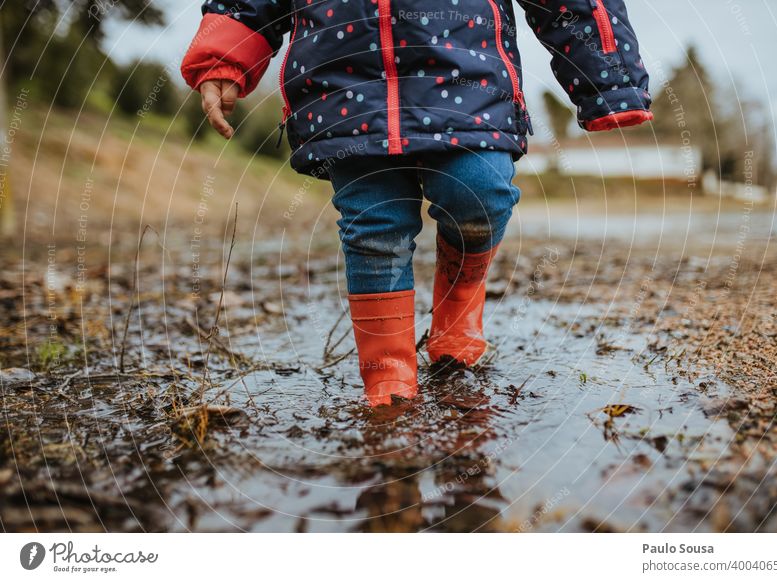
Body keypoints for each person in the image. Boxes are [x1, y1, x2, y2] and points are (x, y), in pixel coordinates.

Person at [181, 0, 653, 406]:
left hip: (468, 85)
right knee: (373, 229)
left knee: (481, 191)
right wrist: (224, 57)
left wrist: (609, 80)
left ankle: (459, 300)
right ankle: (389, 378)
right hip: (344, 93)